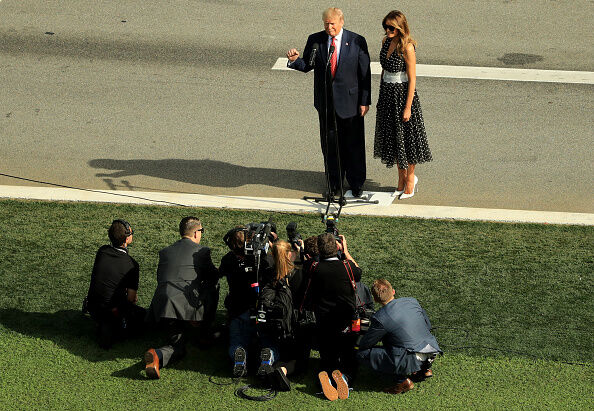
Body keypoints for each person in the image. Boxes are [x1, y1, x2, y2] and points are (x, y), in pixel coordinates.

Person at [287, 7, 371, 198]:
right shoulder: (315, 40)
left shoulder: (357, 41)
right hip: (326, 103)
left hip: (351, 103)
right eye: (326, 23)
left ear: (341, 22)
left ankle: (356, 183)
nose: (329, 27)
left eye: (332, 23)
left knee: (353, 145)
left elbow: (364, 74)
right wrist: (294, 61)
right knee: (330, 145)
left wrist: (365, 101)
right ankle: (334, 184)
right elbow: (308, 64)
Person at [144, 217, 220, 379]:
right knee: (214, 286)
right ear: (195, 233)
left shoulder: (165, 252)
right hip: (186, 306)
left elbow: (161, 278)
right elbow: (213, 276)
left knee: (176, 345)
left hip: (163, 305)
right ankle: (203, 330)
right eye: (201, 231)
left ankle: (157, 355)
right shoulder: (202, 252)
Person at [373, 10, 432, 200]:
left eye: (392, 28)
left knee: (407, 141)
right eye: (386, 27)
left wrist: (408, 107)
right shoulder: (385, 42)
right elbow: (383, 71)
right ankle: (400, 179)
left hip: (403, 96)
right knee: (393, 139)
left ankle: (410, 179)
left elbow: (412, 79)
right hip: (388, 95)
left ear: (400, 28)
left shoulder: (407, 47)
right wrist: (381, 96)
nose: (388, 30)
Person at [357, 279, 441, 394]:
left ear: (375, 299)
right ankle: (425, 369)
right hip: (432, 349)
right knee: (395, 339)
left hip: (411, 357)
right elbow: (428, 325)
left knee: (362, 353)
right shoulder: (412, 301)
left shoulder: (380, 317)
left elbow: (366, 344)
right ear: (393, 291)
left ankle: (402, 381)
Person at [309, 233, 361, 400]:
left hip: (323, 318)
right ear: (338, 247)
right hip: (346, 318)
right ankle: (344, 377)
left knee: (327, 353)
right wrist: (346, 251)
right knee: (347, 353)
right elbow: (358, 271)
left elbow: (308, 262)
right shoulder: (347, 267)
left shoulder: (314, 267)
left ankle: (327, 376)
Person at [85, 219, 146, 349]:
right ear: (127, 238)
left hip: (93, 308)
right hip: (112, 311)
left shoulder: (102, 251)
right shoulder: (132, 265)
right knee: (144, 317)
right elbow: (131, 298)